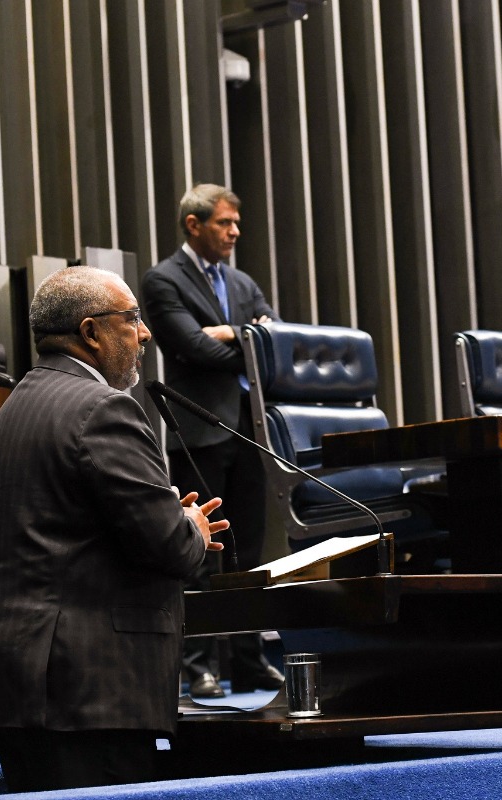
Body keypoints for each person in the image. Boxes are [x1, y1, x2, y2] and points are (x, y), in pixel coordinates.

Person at [0, 267, 229, 792]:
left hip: (14, 675)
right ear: (90, 333)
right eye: (131, 319)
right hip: (89, 687)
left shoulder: (13, 409)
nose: (145, 332)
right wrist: (190, 525)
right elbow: (169, 547)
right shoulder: (104, 409)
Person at [141, 183, 284, 698]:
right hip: (197, 429)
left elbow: (277, 342)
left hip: (250, 426)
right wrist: (244, 336)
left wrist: (228, 333)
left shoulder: (242, 281)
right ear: (193, 225)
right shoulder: (162, 279)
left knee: (249, 553)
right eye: (225, 223)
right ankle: (197, 664)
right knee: (199, 549)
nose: (235, 232)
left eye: (235, 223)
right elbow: (190, 347)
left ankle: (248, 661)